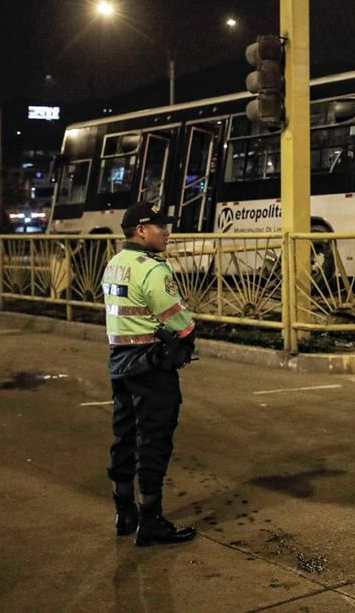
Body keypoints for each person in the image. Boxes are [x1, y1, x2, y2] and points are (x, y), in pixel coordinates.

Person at [102, 201, 197, 547]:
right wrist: (187, 336)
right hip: (151, 366)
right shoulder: (153, 270)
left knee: (125, 436)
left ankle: (124, 513)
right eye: (161, 226)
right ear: (141, 230)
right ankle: (151, 520)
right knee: (154, 440)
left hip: (120, 363)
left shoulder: (115, 263)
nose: (167, 232)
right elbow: (179, 320)